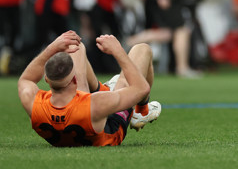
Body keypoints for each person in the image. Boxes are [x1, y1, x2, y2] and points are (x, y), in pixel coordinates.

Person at [17, 30, 161, 147]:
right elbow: (141, 88)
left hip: (81, 117)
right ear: (75, 79)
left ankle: (103, 87)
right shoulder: (98, 102)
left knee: (75, 46)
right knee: (141, 50)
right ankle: (142, 111)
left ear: (46, 78)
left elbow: (26, 79)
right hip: (106, 129)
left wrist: (51, 48)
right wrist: (118, 51)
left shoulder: (33, 102)